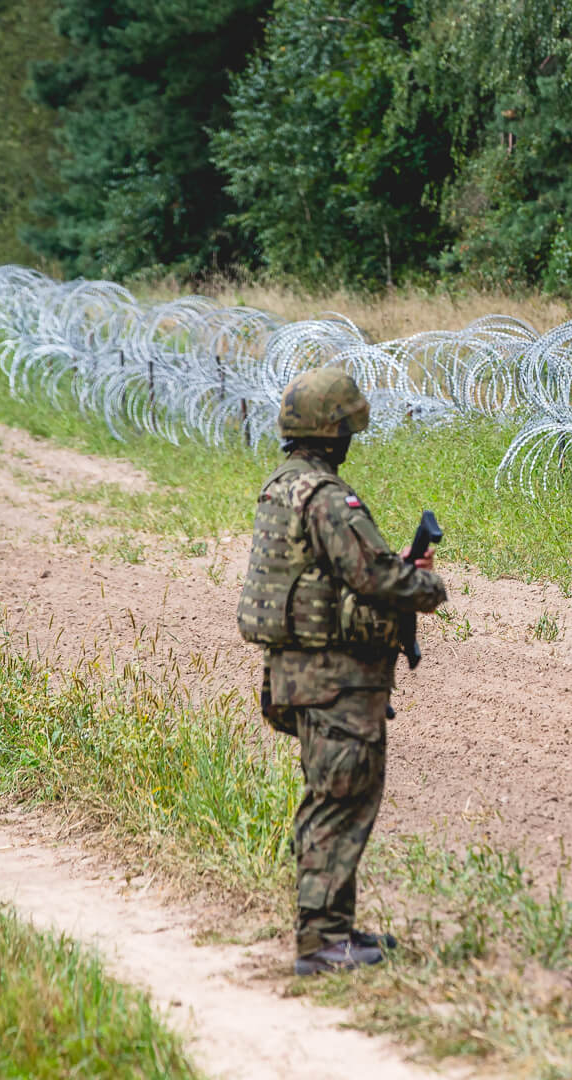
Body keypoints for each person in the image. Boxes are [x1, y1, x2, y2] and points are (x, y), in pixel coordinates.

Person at [237, 367, 447, 976]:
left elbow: (331, 574)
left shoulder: (282, 485)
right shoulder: (328, 498)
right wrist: (425, 583)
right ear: (337, 432)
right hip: (334, 676)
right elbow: (375, 577)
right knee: (340, 800)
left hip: (296, 672)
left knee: (332, 795)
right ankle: (322, 943)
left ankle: (333, 930)